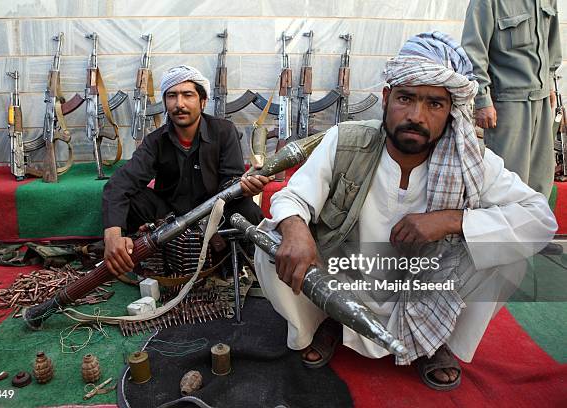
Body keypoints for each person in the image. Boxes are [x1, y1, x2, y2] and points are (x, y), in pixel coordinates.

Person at [254, 32, 557, 391]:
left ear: (451, 111)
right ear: (386, 98)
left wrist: (452, 221)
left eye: (434, 104)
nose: (415, 116)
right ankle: (329, 319)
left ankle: (435, 341)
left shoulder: (471, 161)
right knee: (272, 242)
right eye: (406, 98)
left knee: (509, 256)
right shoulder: (346, 140)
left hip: (428, 287)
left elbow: (540, 219)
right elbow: (293, 197)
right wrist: (295, 228)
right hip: (345, 278)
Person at [102, 65, 269, 276]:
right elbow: (120, 184)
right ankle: (137, 259)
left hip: (214, 213)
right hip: (167, 215)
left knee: (248, 211)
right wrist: (113, 235)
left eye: (187, 95)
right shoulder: (156, 141)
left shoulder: (224, 132)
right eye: (172, 96)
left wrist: (244, 188)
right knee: (131, 198)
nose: (179, 104)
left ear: (203, 101)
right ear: (165, 103)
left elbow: (230, 181)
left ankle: (232, 267)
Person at [461, 0, 562, 198]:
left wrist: (549, 82)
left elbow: (552, 41)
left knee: (541, 181)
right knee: (507, 182)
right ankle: (504, 227)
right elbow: (473, 51)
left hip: (541, 101)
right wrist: (482, 99)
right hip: (507, 104)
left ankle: (534, 227)